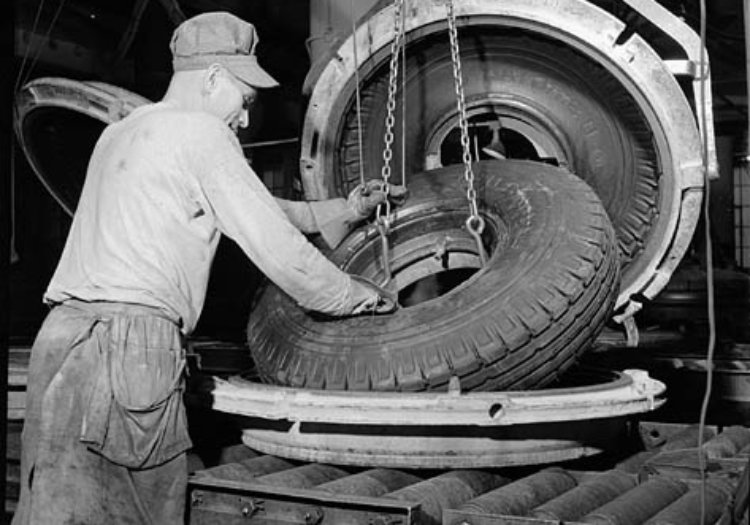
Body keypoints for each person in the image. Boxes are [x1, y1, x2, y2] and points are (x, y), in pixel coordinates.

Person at [12, 11, 407, 525]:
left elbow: (263, 208)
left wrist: (347, 209)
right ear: (216, 76)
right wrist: (365, 298)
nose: (244, 119)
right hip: (129, 348)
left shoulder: (123, 132)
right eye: (245, 100)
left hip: (61, 343)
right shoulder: (203, 134)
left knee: (54, 507)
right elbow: (284, 255)